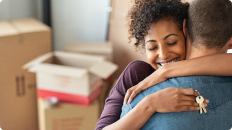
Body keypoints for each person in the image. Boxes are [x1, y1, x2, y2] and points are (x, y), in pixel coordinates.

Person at [95, 0, 232, 129]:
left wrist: (167, 70)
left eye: (172, 42)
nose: (164, 55)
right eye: (153, 47)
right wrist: (149, 105)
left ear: (185, 32)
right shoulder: (136, 75)